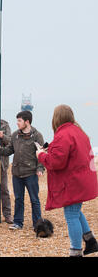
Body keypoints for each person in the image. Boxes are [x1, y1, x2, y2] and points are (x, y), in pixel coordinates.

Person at [36, 104, 98, 257]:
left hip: (73, 183)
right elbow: (70, 154)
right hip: (83, 180)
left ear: (56, 118)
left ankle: (75, 252)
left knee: (71, 215)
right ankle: (90, 241)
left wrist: (41, 155)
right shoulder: (78, 131)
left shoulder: (62, 134)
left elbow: (56, 162)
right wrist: (50, 149)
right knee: (76, 212)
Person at [0, 110, 45, 231]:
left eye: (19, 121)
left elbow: (41, 153)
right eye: (17, 120)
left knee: (34, 199)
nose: (17, 123)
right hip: (17, 173)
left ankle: (37, 223)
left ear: (27, 121)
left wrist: (40, 168)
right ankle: (18, 222)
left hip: (31, 173)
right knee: (18, 199)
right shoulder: (15, 135)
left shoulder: (37, 135)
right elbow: (9, 150)